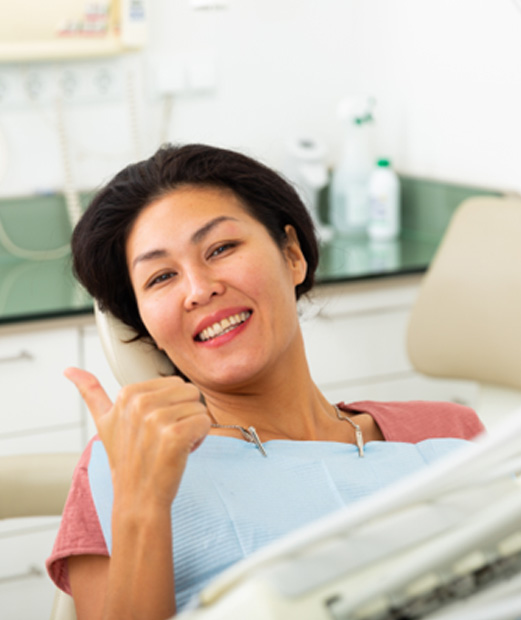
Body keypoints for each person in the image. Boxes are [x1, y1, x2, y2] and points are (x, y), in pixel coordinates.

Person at [47, 143, 485, 620]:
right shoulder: (123, 467)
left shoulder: (452, 432)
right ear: (144, 325)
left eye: (221, 248)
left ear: (292, 255)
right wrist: (141, 503)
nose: (199, 289)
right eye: (161, 277)